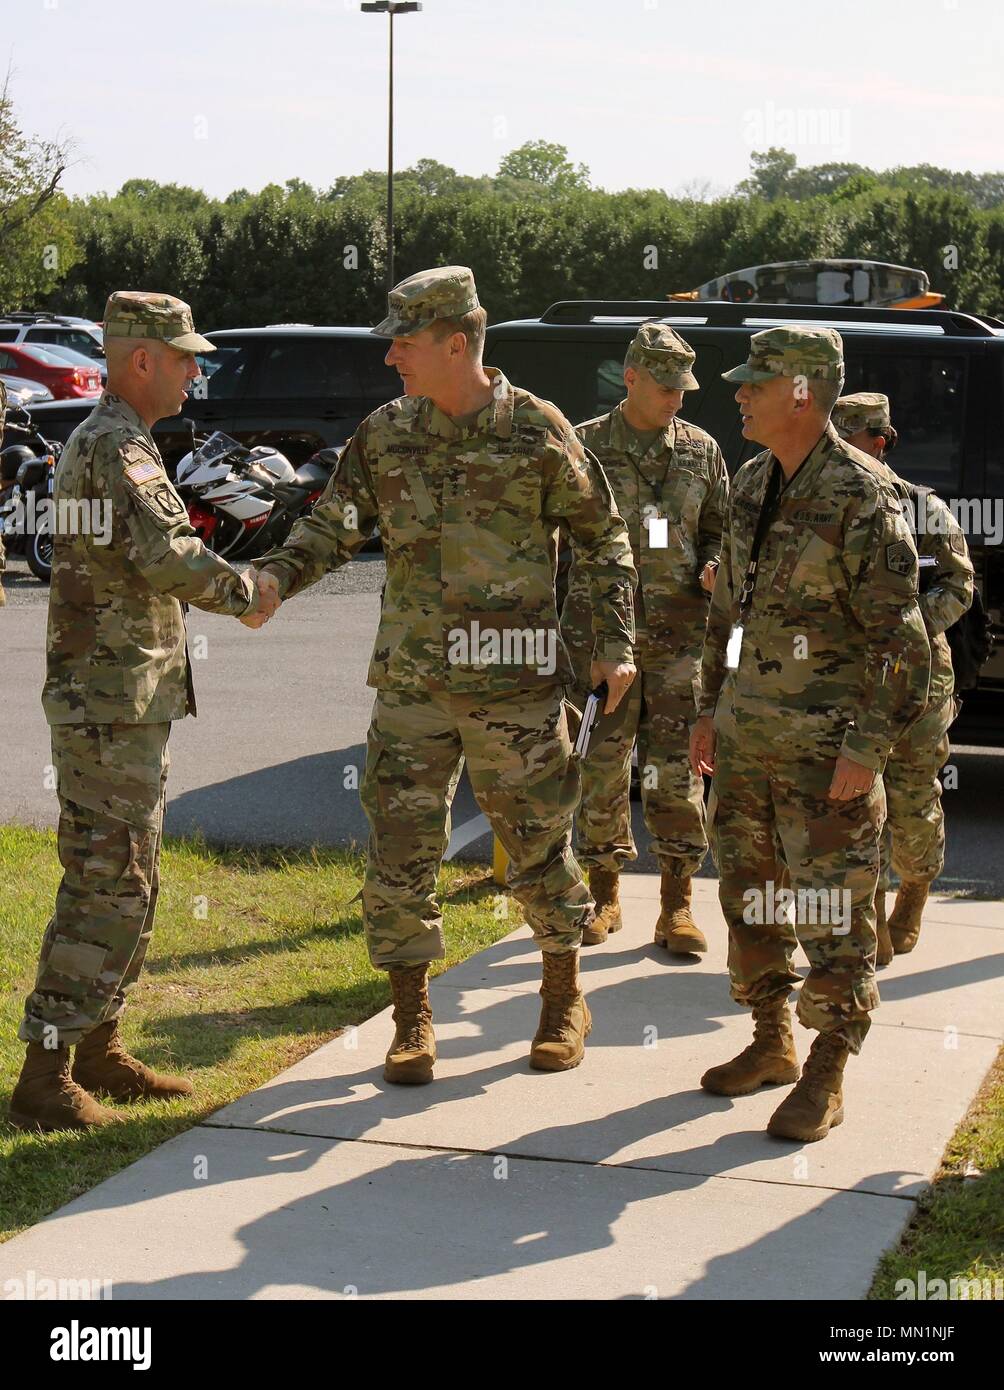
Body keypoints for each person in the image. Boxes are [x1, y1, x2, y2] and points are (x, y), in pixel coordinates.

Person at [250, 265, 637, 1083]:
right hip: (414, 683)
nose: (391, 356)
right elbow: (333, 526)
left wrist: (615, 644)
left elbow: (605, 539)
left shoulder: (539, 430)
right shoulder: (386, 431)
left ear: (457, 342)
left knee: (539, 844)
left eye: (405, 340)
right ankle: (411, 1016)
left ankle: (563, 996)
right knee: (399, 851)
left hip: (516, 686)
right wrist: (277, 579)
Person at [10, 291, 278, 1134]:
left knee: (132, 877)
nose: (197, 369)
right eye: (185, 356)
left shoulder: (120, 442)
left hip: (123, 698)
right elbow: (169, 556)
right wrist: (249, 593)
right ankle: (46, 1072)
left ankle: (98, 1049)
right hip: (106, 705)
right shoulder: (116, 448)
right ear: (142, 361)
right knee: (106, 884)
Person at [690, 327, 931, 1142]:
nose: (739, 396)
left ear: (801, 390)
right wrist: (707, 707)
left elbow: (904, 644)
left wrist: (864, 754)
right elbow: (729, 612)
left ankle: (828, 1071)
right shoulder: (756, 480)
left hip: (827, 760)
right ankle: (771, 1042)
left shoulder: (865, 494)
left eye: (753, 383)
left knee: (834, 912)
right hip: (748, 744)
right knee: (751, 898)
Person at [561, 323, 728, 951]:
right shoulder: (583, 446)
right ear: (629, 378)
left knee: (679, 769)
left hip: (683, 639)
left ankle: (677, 905)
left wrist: (715, 561)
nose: (676, 398)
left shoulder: (700, 449)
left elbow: (720, 525)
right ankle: (605, 896)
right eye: (664, 386)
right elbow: (554, 542)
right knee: (603, 766)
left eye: (684, 387)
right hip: (604, 638)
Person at [832, 393, 973, 960]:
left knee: (913, 796)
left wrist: (903, 627)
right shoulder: (833, 504)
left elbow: (959, 586)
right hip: (849, 680)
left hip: (918, 680)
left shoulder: (922, 509)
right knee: (853, 799)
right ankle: (867, 910)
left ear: (881, 441)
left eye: (851, 440)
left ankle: (913, 890)